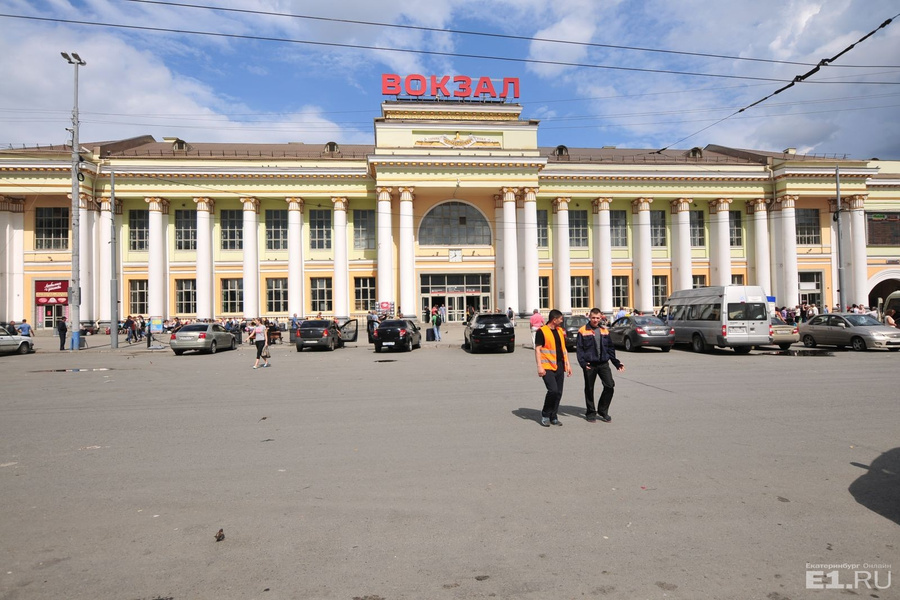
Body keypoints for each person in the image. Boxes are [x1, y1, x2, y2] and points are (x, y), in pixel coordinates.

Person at [575, 308, 625, 423]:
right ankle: (591, 412)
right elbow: (580, 350)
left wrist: (616, 363)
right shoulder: (583, 331)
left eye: (597, 318)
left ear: (601, 317)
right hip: (589, 364)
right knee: (589, 388)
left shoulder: (604, 331)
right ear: (589, 317)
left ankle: (603, 410)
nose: (595, 320)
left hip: (603, 364)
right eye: (593, 318)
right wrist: (583, 363)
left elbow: (610, 348)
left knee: (610, 385)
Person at [534, 309, 572, 427]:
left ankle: (553, 416)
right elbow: (538, 349)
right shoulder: (542, 331)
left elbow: (563, 349)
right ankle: (545, 414)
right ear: (554, 320)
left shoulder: (560, 331)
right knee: (553, 390)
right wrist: (539, 366)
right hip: (547, 366)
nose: (562, 321)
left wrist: (568, 364)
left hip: (559, 365)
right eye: (560, 319)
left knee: (559, 392)